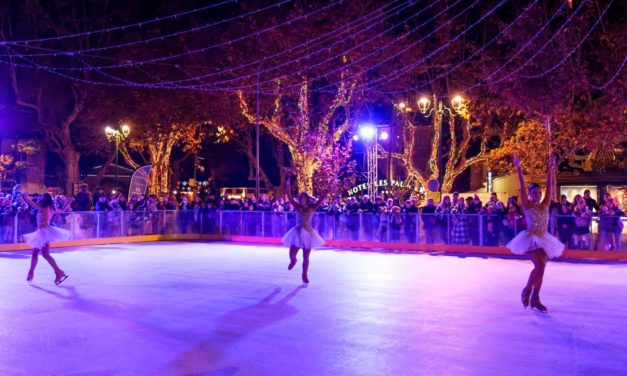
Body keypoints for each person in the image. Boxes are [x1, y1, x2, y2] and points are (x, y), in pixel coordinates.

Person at [506, 155, 564, 313]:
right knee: (540, 265)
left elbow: (549, 186)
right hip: (531, 239)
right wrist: (518, 168)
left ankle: (536, 298)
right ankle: (527, 290)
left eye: (539, 192)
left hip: (544, 239)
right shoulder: (526, 204)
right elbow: (522, 186)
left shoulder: (546, 204)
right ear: (530, 194)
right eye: (535, 192)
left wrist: (551, 169)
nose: (538, 194)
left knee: (542, 268)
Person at [282, 179, 328, 284]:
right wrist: (288, 184)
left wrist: (328, 189)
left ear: (307, 199)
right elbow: (289, 197)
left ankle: (304, 275)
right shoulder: (297, 206)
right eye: (300, 198)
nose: (301, 200)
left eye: (303, 198)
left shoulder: (312, 207)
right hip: (297, 232)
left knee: (306, 256)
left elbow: (321, 199)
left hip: (308, 233)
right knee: (292, 253)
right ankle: (293, 260)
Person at [22, 192, 73, 284]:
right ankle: (58, 272)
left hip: (43, 233)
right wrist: (68, 202)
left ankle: (57, 271)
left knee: (39, 253)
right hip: (45, 232)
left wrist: (25, 197)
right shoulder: (50, 208)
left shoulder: (42, 207)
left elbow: (31, 203)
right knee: (43, 254)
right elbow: (61, 210)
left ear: (43, 199)